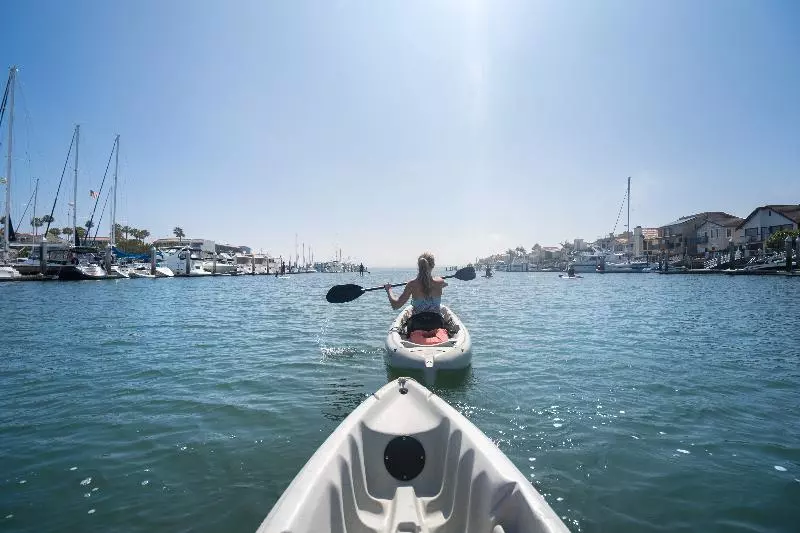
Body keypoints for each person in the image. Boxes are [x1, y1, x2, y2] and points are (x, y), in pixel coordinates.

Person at [384, 252, 447, 333]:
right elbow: (445, 284)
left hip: (417, 325)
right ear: (433, 266)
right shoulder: (440, 282)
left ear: (419, 266)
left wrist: (389, 290)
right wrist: (437, 280)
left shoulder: (411, 285)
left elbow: (395, 305)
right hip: (437, 323)